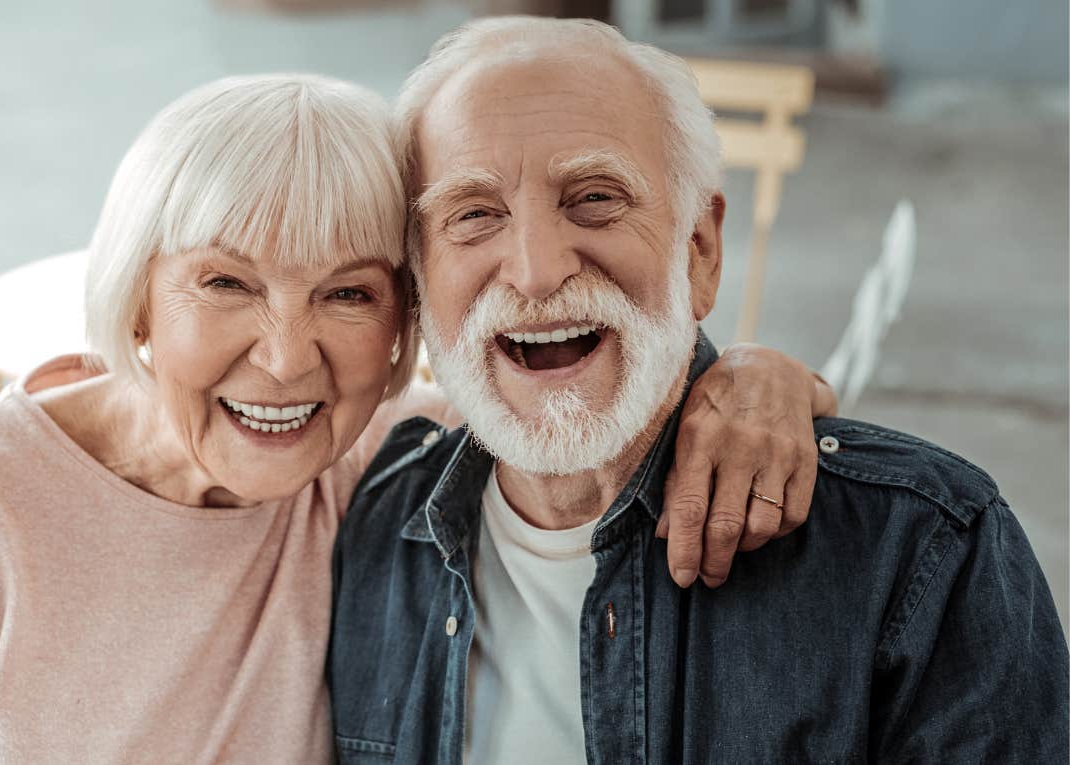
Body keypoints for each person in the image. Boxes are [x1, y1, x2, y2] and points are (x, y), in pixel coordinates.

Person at [0, 73, 832, 763]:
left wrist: (749, 376)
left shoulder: (377, 452)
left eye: (347, 294)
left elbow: (584, 402)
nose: (287, 361)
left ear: (403, 328)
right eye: (226, 285)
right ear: (138, 295)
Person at [327, 17, 1069, 764]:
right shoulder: (362, 522)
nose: (535, 269)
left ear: (701, 252)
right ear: (419, 281)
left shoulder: (922, 551)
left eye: (594, 197)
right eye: (475, 213)